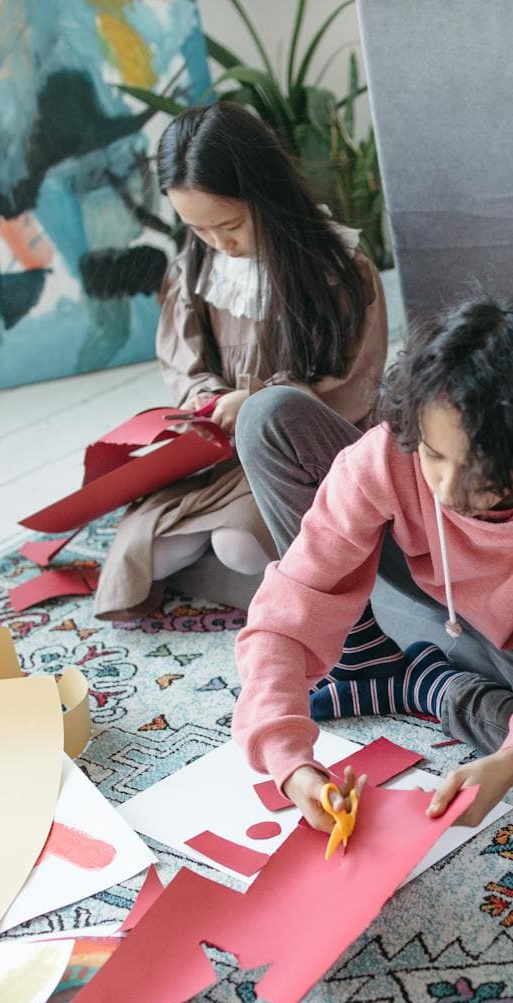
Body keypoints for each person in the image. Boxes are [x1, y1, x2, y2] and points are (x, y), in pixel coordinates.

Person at [233, 297, 513, 832]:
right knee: (268, 416)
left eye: (482, 471)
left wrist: (511, 759)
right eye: (435, 455)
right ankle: (362, 660)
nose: (449, 489)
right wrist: (286, 758)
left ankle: (430, 685)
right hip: (425, 566)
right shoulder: (393, 451)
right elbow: (292, 599)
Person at [96, 101, 390, 637]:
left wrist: (253, 401)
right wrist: (206, 397)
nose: (218, 243)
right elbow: (183, 359)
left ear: (266, 195)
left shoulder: (339, 270)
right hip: (213, 451)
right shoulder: (201, 263)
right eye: (198, 229)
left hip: (287, 456)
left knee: (237, 546)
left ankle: (299, 588)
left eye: (229, 225)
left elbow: (351, 386)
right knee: (147, 557)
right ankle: (257, 573)